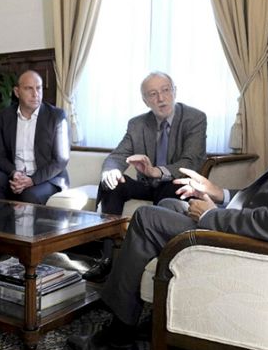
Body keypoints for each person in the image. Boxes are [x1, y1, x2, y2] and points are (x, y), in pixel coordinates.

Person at [66, 39, 268, 350]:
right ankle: (162, 315)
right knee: (172, 208)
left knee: (147, 218)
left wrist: (213, 216)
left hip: (266, 252)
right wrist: (221, 194)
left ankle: (117, 337)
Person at [83, 71, 207, 282]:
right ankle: (107, 259)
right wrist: (111, 171)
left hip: (174, 183)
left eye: (166, 90)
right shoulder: (137, 124)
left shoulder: (195, 118)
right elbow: (117, 156)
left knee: (171, 187)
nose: (161, 98)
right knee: (111, 184)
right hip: (147, 184)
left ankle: (154, 264)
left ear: (174, 91)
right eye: (153, 94)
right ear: (145, 100)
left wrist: (157, 172)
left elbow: (190, 161)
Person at [0, 70, 70, 204]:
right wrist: (14, 173)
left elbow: (60, 160)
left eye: (39, 88)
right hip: (16, 177)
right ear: (17, 92)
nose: (36, 94)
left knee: (29, 195)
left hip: (47, 180)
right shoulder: (5, 116)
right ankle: (0, 223)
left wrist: (32, 180)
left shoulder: (56, 116)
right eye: (29, 88)